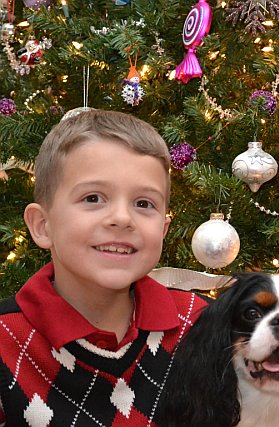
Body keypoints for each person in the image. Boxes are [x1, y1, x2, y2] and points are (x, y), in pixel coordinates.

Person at [0, 110, 209, 425]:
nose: (122, 218)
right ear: (43, 225)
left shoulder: (202, 323)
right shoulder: (5, 339)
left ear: (164, 230)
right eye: (93, 198)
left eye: (144, 203)